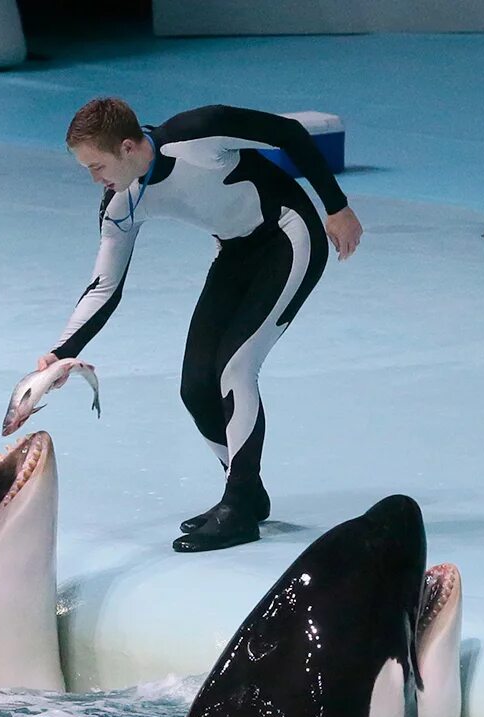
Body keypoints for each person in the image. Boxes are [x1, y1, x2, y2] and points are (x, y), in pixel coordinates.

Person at [39, 97, 362, 552]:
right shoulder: (122, 204)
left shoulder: (198, 135)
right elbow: (103, 288)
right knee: (195, 387)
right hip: (235, 254)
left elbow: (289, 134)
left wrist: (336, 207)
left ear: (128, 147)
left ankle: (237, 507)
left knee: (235, 368)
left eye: (97, 166)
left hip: (290, 234)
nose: (95, 179)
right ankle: (246, 491)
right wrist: (58, 354)